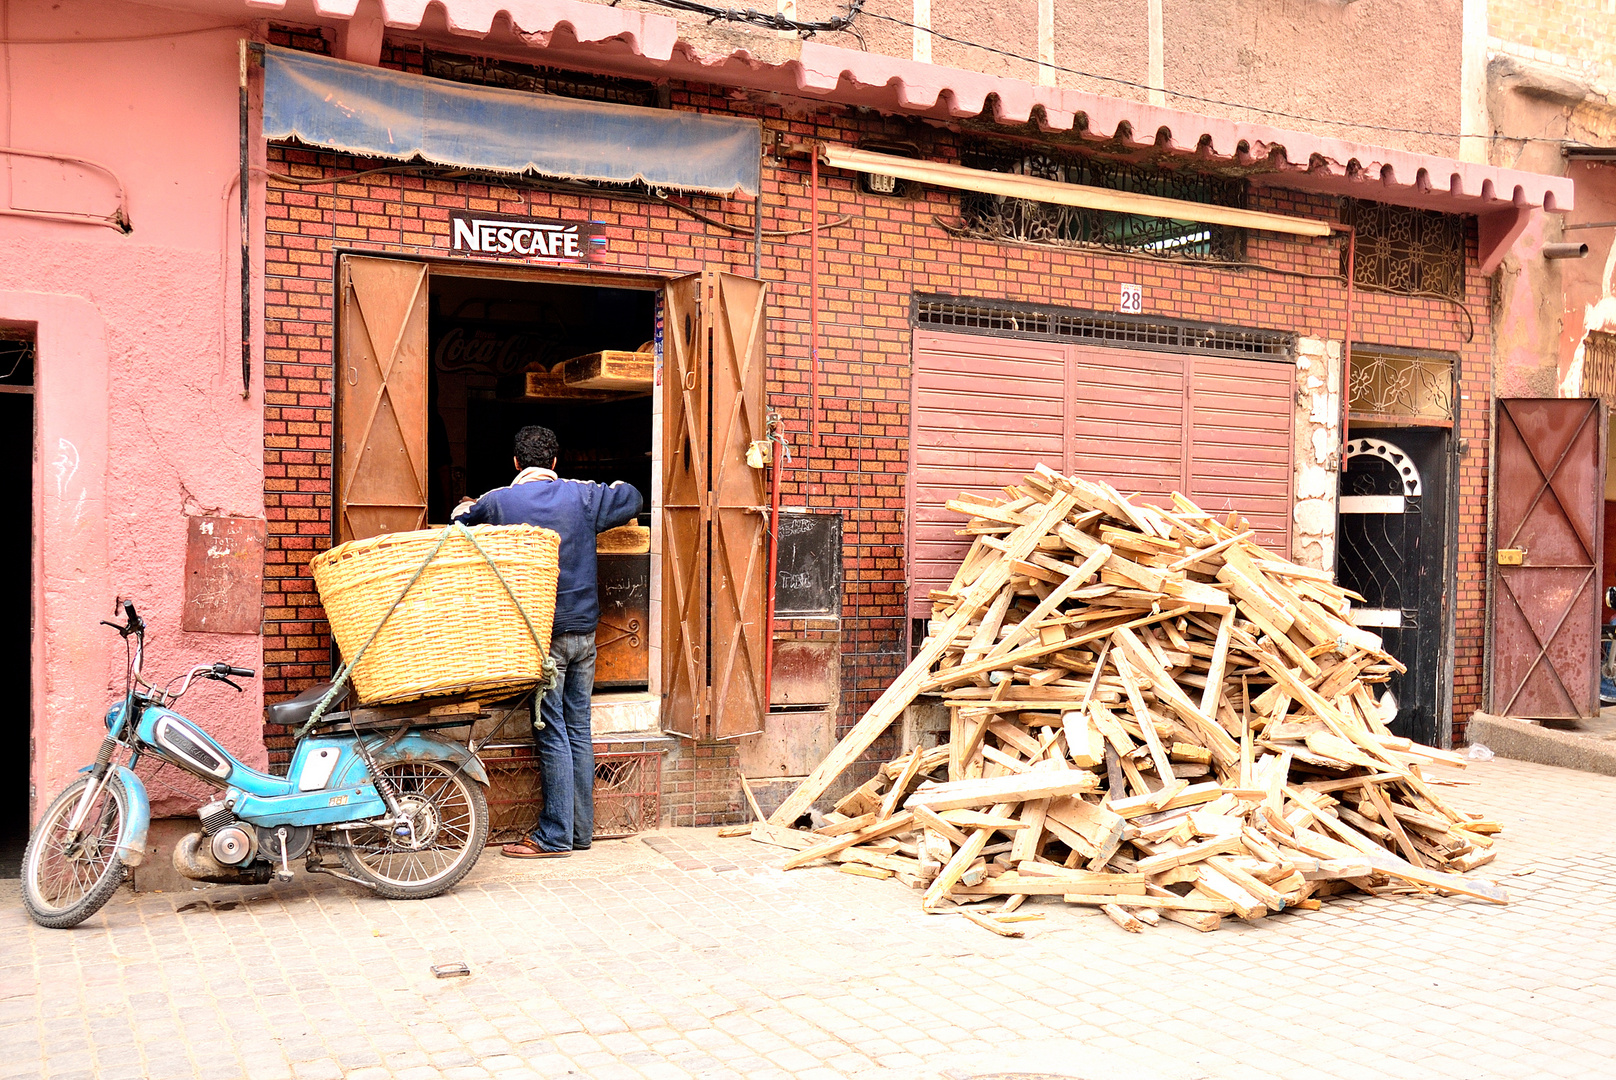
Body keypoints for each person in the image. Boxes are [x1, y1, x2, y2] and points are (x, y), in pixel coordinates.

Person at [453, 425, 643, 858]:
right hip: (585, 634)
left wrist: (468, 504)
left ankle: (555, 837)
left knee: (553, 731)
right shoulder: (583, 496)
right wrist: (601, 486)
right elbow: (631, 495)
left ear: (516, 463)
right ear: (555, 463)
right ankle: (580, 832)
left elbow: (458, 522)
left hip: (543, 636)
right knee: (578, 728)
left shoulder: (500, 501)